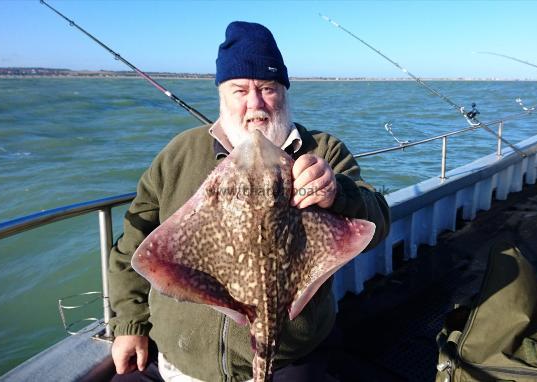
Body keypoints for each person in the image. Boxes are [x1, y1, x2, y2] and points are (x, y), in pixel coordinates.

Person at [107, 21, 390, 381]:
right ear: (222, 94)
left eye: (268, 88)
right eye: (240, 90)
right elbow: (133, 243)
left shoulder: (323, 150)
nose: (254, 103)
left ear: (284, 92)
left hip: (290, 358)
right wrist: (129, 323)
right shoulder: (180, 154)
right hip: (180, 360)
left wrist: (339, 192)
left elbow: (377, 222)